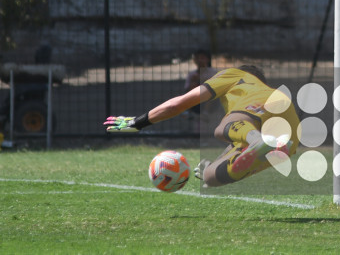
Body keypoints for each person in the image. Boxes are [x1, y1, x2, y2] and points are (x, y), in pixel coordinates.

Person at [104, 65, 299, 187]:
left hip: (265, 114)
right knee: (209, 177)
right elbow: (237, 143)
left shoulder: (235, 74)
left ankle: (258, 140)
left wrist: (137, 122)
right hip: (289, 133)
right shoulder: (260, 93)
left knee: (223, 127)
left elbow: (178, 104)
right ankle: (262, 146)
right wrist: (214, 163)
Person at [184, 48, 217, 115]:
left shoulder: (213, 73)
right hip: (197, 100)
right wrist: (195, 81)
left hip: (211, 101)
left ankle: (206, 111)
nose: (199, 60)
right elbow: (187, 90)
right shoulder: (192, 74)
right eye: (197, 58)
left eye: (202, 58)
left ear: (207, 59)